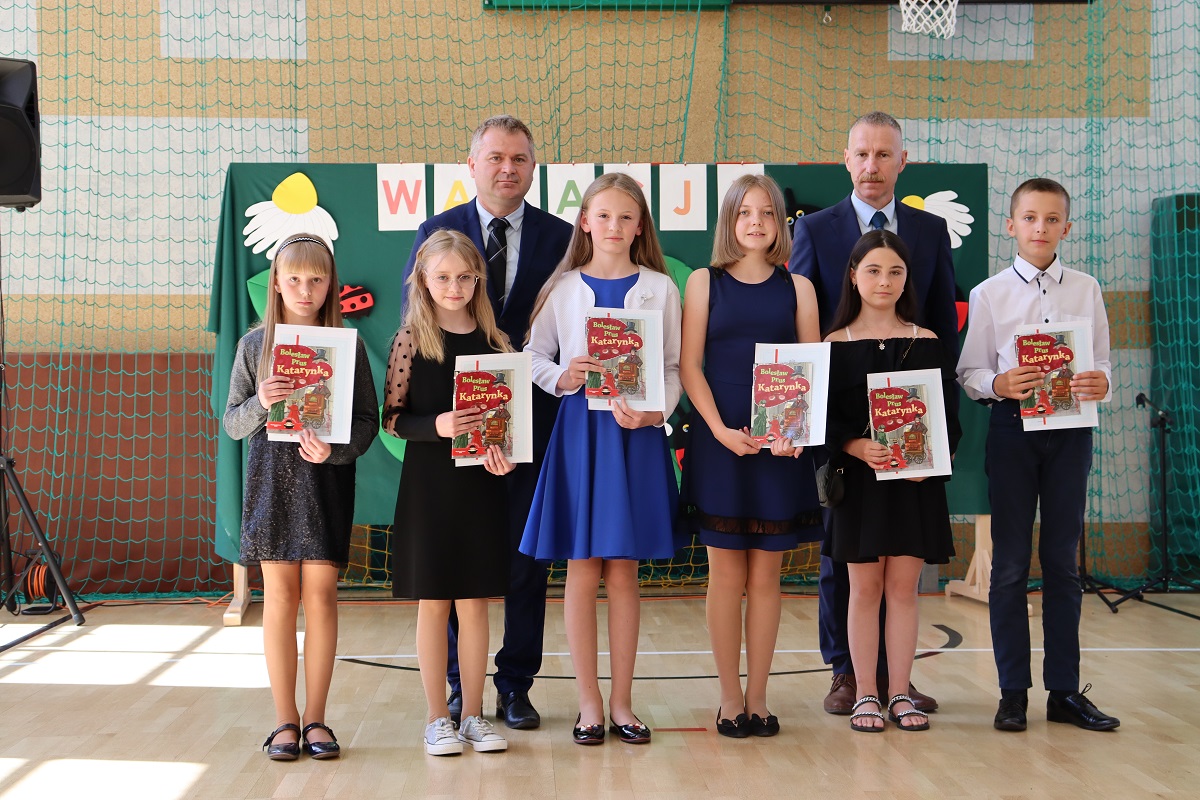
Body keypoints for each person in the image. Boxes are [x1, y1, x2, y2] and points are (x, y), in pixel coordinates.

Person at [400, 115, 573, 730]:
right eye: (495, 157)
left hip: (537, 424)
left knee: (527, 559)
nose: (507, 168)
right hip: (459, 431)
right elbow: (417, 331)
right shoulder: (435, 231)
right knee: (455, 567)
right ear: (471, 165)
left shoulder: (562, 237)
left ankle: (516, 684)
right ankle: (458, 686)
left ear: (533, 168)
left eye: (519, 158)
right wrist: (452, 422)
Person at [789, 110, 958, 715]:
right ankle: (849, 675)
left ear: (902, 162)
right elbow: (802, 327)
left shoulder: (930, 232)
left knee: (904, 580)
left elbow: (944, 328)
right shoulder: (815, 230)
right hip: (848, 441)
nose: (872, 165)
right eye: (862, 153)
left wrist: (930, 445)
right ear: (846, 158)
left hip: (912, 449)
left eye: (884, 154)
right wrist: (828, 433)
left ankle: (898, 681)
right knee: (848, 567)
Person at [519, 173, 684, 746]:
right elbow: (533, 356)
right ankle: (588, 704)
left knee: (624, 571)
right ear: (585, 222)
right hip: (580, 437)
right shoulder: (564, 288)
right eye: (604, 215)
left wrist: (655, 413)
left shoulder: (660, 288)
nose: (615, 226)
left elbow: (671, 368)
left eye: (626, 217)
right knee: (583, 568)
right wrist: (564, 377)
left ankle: (622, 703)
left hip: (635, 437)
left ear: (640, 227)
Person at [957, 178, 1119, 733]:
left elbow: (1102, 362)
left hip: (1072, 433)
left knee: (1062, 563)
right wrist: (998, 383)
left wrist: (1102, 383)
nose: (1040, 228)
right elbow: (970, 372)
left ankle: (1064, 692)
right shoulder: (989, 293)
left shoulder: (1087, 289)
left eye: (1051, 219)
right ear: (1011, 225)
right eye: (1029, 218)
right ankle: (1012, 693)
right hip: (1013, 432)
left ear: (1066, 228)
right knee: (1008, 565)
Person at [222, 233, 378, 761]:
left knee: (322, 597)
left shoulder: (348, 346)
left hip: (325, 484)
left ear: (331, 283)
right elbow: (233, 424)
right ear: (276, 284)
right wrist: (260, 402)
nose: (305, 289)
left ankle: (316, 719)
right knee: (279, 600)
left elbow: (366, 423)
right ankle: (284, 720)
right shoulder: (254, 346)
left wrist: (333, 452)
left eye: (316, 279)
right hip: (270, 485)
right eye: (294, 279)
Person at [678, 174, 823, 738]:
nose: (756, 222)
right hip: (721, 445)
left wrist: (796, 432)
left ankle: (759, 698)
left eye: (767, 212)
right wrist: (718, 430)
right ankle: (729, 698)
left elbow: (811, 370)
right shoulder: (703, 283)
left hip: (778, 450)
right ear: (730, 221)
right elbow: (690, 366)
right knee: (724, 576)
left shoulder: (799, 288)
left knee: (767, 577)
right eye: (745, 212)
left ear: (780, 223)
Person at [384, 230, 517, 755]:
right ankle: (437, 717)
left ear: (478, 280)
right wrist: (436, 425)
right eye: (442, 277)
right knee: (435, 602)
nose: (454, 287)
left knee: (476, 602)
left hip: (480, 488)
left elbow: (510, 425)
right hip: (429, 488)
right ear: (422, 279)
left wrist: (506, 455)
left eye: (464, 277)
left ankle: (474, 715)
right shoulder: (410, 340)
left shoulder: (497, 343)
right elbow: (393, 419)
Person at [822, 230, 959, 732]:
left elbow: (949, 421)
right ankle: (865, 693)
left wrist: (929, 459)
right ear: (854, 277)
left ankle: (900, 692)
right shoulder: (833, 345)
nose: (885, 281)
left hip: (913, 487)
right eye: (874, 270)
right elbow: (824, 424)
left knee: (904, 590)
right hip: (859, 488)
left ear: (907, 280)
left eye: (895, 271)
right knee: (863, 590)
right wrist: (855, 446)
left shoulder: (929, 342)